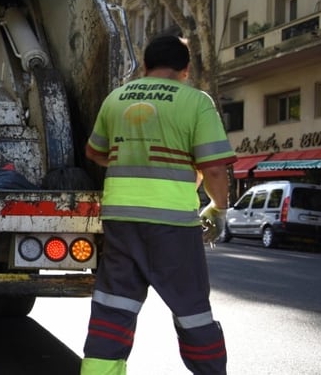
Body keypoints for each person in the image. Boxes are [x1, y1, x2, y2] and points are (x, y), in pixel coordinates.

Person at [80, 34, 236, 375]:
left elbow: (94, 152)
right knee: (192, 311)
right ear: (185, 69)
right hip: (173, 224)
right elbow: (213, 168)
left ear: (145, 65)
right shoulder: (195, 102)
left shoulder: (116, 99)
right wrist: (218, 208)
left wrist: (131, 157)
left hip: (120, 220)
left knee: (113, 307)